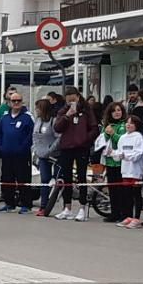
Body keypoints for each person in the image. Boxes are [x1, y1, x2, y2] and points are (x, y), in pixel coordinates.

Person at [53, 87, 97, 221]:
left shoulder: (86, 110)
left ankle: (82, 207)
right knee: (67, 177)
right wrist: (67, 115)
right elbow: (57, 127)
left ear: (78, 97)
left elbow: (94, 128)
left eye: (73, 99)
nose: (71, 102)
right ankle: (67, 208)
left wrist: (85, 138)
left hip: (81, 148)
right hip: (66, 147)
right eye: (68, 100)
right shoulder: (63, 111)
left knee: (82, 176)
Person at [0, 90, 34, 213]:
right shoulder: (5, 118)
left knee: (23, 179)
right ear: (9, 102)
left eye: (19, 101)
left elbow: (31, 136)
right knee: (6, 178)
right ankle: (9, 203)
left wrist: (23, 148)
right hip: (6, 154)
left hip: (22, 155)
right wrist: (0, 146)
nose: (16, 103)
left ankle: (26, 204)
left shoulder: (27, 118)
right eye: (14, 101)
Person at [113, 115, 143, 229]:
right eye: (127, 123)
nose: (128, 125)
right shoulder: (122, 138)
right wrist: (115, 154)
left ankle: (136, 218)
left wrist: (126, 156)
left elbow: (139, 153)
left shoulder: (138, 137)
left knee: (136, 194)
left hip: (136, 170)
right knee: (126, 194)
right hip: (125, 170)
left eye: (131, 123)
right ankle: (128, 216)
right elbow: (118, 152)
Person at [100, 102, 127, 224]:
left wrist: (113, 134)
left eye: (119, 110)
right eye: (114, 111)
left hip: (121, 162)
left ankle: (123, 213)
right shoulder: (106, 125)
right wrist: (106, 133)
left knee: (121, 189)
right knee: (112, 189)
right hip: (110, 161)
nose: (117, 112)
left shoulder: (124, 125)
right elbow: (101, 142)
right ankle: (114, 213)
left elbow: (122, 141)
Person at [32, 99, 60, 216]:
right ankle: (43, 206)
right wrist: (34, 148)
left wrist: (50, 149)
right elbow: (34, 136)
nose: (36, 110)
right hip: (41, 155)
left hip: (54, 155)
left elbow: (59, 137)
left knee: (56, 181)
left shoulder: (54, 121)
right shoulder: (38, 121)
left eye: (38, 108)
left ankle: (57, 205)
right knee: (44, 180)